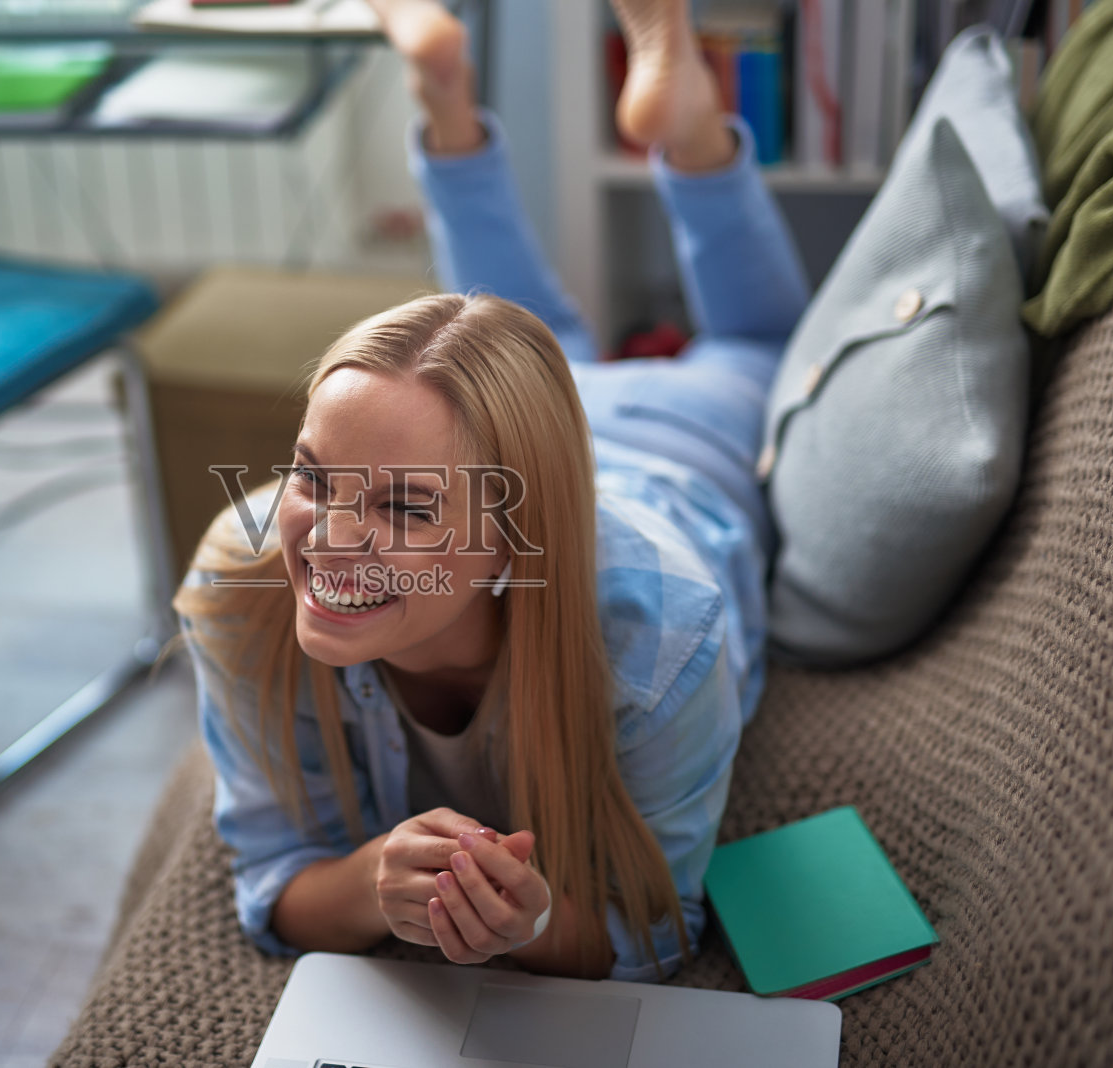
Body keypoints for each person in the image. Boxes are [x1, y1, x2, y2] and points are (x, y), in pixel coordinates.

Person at [175, 0, 812, 982]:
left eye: (403, 508)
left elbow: (656, 924)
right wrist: (370, 881)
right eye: (313, 475)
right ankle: (451, 107)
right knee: (500, 335)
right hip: (518, 428)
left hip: (683, 447)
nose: (329, 539)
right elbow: (271, 878)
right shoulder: (239, 581)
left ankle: (680, 129)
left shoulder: (663, 641)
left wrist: (532, 927)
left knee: (760, 344)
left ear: (518, 539)